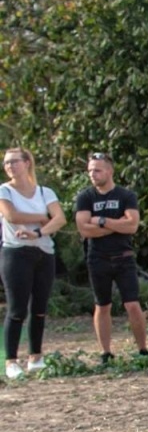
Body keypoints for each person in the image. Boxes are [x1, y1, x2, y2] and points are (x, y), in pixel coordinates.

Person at [73, 152, 148, 363]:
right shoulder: (85, 197)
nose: (92, 174)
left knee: (132, 304)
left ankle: (143, 350)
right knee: (102, 305)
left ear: (109, 171)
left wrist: (101, 221)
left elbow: (132, 225)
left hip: (124, 257)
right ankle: (106, 352)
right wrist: (116, 225)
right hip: (97, 258)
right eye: (90, 170)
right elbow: (84, 229)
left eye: (97, 170)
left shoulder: (126, 196)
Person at [1, 148, 67, 379]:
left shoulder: (44, 192)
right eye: (6, 163)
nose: (9, 166)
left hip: (44, 253)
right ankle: (11, 361)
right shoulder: (4, 190)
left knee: (39, 308)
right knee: (17, 309)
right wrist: (40, 218)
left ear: (27, 163)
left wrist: (39, 232)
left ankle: (35, 357)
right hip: (16, 253)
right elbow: (12, 216)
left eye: (14, 161)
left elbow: (59, 218)